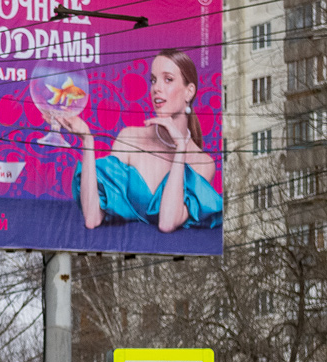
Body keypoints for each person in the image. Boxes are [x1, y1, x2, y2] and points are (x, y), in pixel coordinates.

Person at [58, 49, 221, 233]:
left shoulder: (203, 163)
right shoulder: (129, 138)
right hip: (122, 249)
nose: (156, 88)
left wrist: (180, 147)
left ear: (189, 92)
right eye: (153, 80)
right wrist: (87, 141)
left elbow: (167, 223)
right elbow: (92, 218)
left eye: (168, 79)